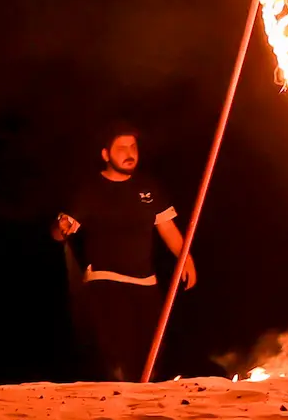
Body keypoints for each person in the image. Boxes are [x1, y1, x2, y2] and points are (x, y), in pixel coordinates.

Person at [53, 128, 196, 381]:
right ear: (106, 154)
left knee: (152, 354)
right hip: (105, 280)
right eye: (122, 148)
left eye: (133, 148)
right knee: (117, 353)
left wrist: (186, 259)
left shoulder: (148, 188)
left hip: (145, 283)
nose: (130, 154)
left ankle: (143, 404)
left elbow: (168, 229)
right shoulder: (91, 190)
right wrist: (61, 227)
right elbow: (60, 230)